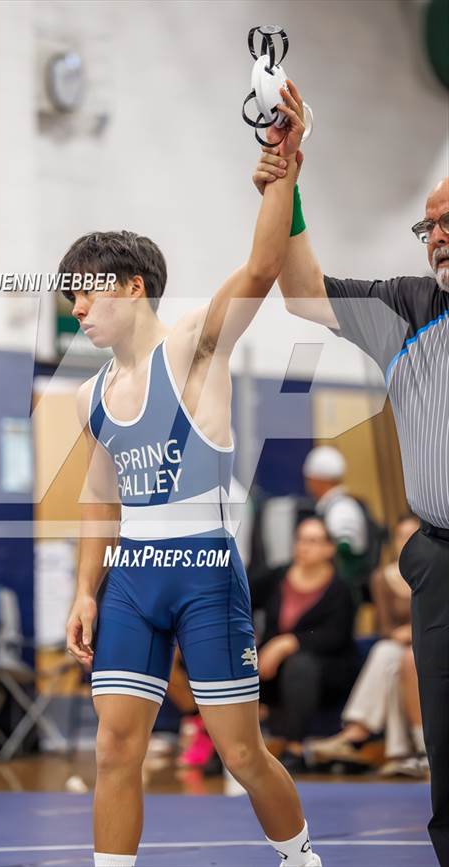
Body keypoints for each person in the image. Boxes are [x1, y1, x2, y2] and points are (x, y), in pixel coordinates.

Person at [65, 81, 322, 867]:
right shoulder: (90, 391)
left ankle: (302, 856)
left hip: (206, 569)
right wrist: (84, 587)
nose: (76, 308)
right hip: (135, 577)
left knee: (241, 753)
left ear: (132, 285)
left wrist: (283, 169)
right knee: (115, 746)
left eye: (86, 292)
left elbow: (262, 264)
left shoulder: (193, 346)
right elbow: (99, 499)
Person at [253, 149, 448, 863]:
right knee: (446, 744)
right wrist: (288, 184)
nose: (437, 236)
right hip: (440, 558)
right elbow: (302, 294)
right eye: (427, 226)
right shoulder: (406, 306)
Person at [306, 514, 426, 777]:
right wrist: (400, 635)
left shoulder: (436, 572)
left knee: (400, 657)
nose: (405, 542)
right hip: (400, 647)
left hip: (430, 642)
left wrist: (416, 631)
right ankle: (410, 753)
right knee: (392, 656)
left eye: (412, 536)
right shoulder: (382, 577)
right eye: (400, 536)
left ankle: (359, 736)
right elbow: (384, 628)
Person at [251, 517, 357, 773]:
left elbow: (335, 637)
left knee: (300, 665)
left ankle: (295, 750)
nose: (303, 547)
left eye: (312, 541)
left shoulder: (340, 588)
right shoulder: (278, 575)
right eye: (300, 540)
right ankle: (218, 744)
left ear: (329, 549)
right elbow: (242, 600)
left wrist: (288, 643)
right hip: (273, 668)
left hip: (324, 670)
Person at [302, 445, 382, 603]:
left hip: (342, 592)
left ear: (319, 479)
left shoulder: (341, 509)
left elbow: (345, 548)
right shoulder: (333, 506)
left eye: (309, 478)